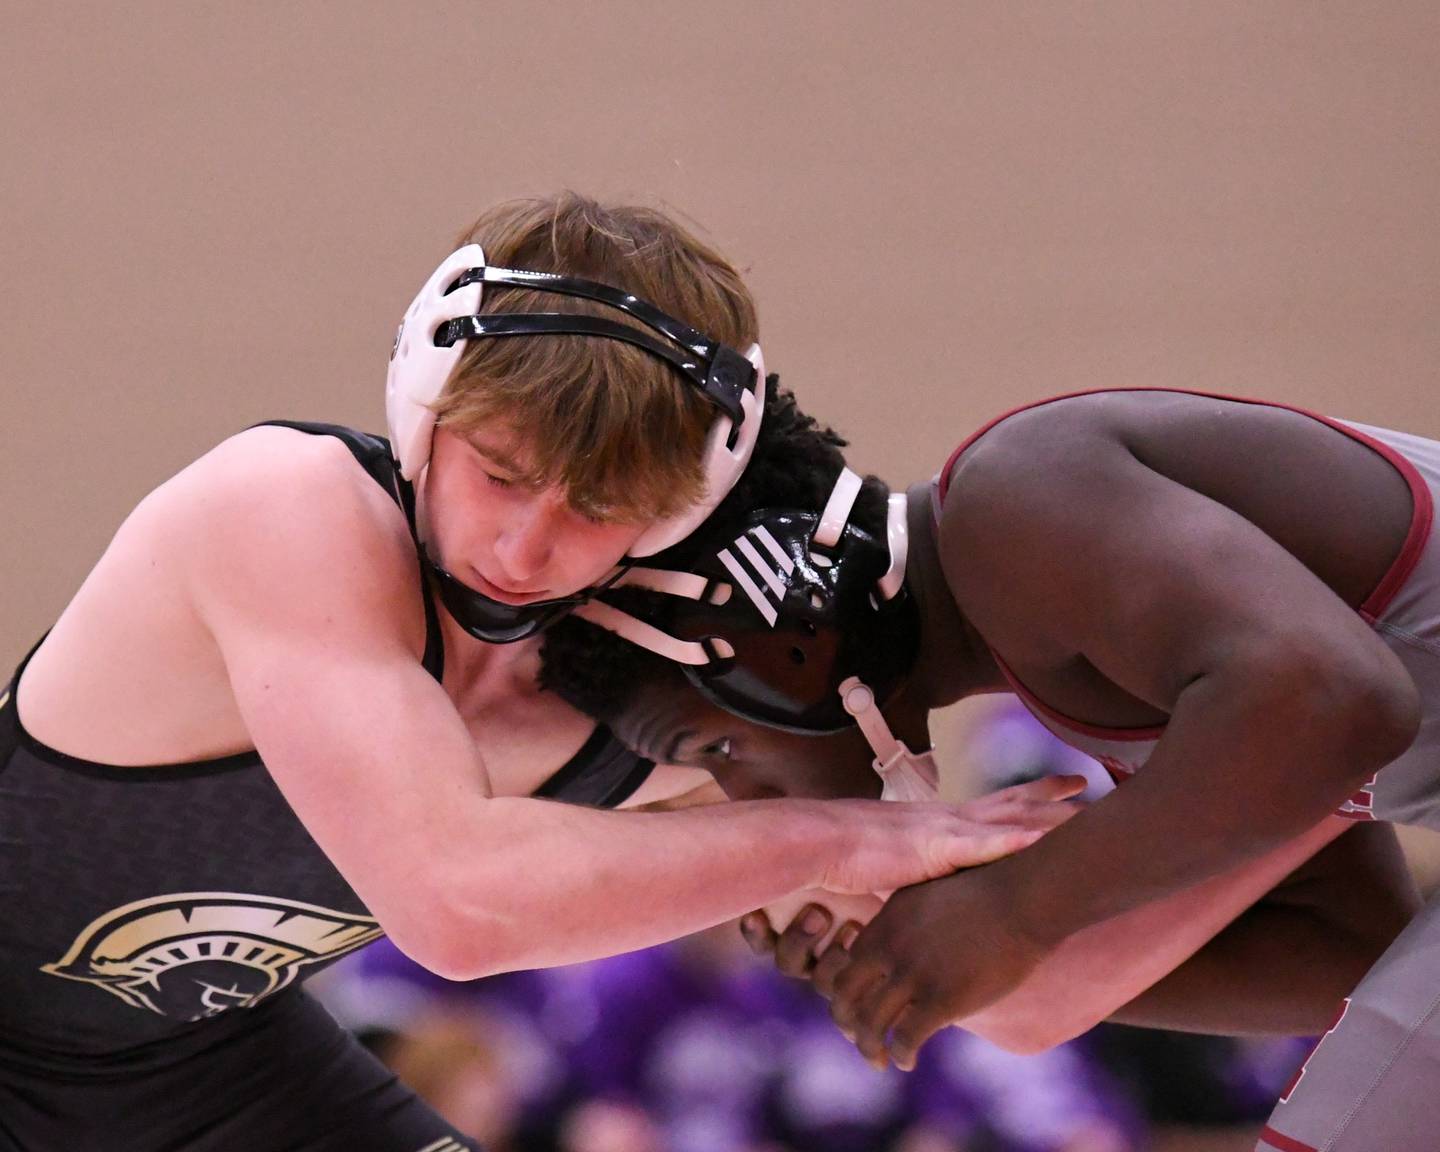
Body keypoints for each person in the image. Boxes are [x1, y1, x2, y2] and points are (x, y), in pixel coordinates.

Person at [0, 194, 1071, 1151]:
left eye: (599, 508)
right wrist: (845, 839)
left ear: (684, 507)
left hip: (192, 1066)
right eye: (500, 474)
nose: (522, 552)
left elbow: (1023, 1007)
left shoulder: (657, 698)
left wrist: (1141, 849)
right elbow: (458, 907)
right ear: (423, 405)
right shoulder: (284, 509)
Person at [539, 381, 1439, 1152]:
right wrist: (966, 956)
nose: (744, 801)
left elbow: (1339, 698)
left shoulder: (1013, 500)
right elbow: (1346, 952)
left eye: (716, 752)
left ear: (780, 634)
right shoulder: (1078, 668)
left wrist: (1017, 909)